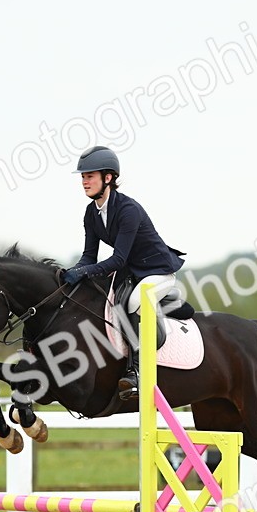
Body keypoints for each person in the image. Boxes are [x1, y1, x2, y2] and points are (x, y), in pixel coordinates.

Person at [61, 145, 185, 400]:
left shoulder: (128, 210)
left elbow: (118, 259)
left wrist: (84, 273)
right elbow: (89, 256)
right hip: (130, 269)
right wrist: (69, 272)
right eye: (83, 177)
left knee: (132, 302)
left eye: (90, 176)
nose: (84, 182)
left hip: (156, 270)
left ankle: (137, 370)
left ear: (108, 178)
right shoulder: (91, 212)